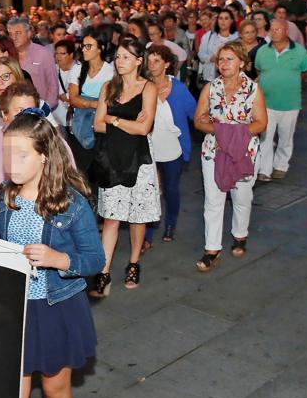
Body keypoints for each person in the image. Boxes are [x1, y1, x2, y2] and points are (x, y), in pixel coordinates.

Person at [0, 112, 105, 398]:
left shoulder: (71, 205)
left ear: (44, 156)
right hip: (15, 310)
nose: (11, 163)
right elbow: (1, 248)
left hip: (55, 307)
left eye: (21, 155)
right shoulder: (5, 200)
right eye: (7, 154)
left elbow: (94, 259)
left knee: (57, 390)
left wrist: (60, 259)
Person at [90, 37, 159, 296]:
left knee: (137, 217)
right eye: (118, 56)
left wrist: (113, 119)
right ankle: (104, 272)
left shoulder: (148, 88)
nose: (120, 61)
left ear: (139, 61)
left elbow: (144, 128)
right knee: (111, 218)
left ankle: (134, 263)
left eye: (126, 57)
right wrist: (121, 121)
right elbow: (97, 124)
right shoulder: (109, 87)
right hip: (112, 157)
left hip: (137, 159)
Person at [193, 42, 268, 272]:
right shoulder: (210, 88)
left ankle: (239, 234)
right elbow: (198, 120)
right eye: (221, 59)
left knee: (242, 196)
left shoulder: (253, 90)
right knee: (213, 199)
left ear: (242, 63)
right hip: (213, 150)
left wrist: (235, 134)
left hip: (244, 151)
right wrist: (221, 132)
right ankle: (212, 249)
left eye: (229, 59)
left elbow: (261, 123)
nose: (224, 64)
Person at [144, 45, 196, 246]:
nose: (152, 65)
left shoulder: (179, 89)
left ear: (167, 64)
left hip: (172, 148)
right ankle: (147, 232)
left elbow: (195, 115)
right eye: (149, 60)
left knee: (171, 188)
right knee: (149, 189)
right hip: (148, 146)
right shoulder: (143, 87)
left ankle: (170, 224)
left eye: (157, 61)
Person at [255, 18, 307, 182]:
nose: (273, 32)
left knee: (286, 137)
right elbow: (259, 69)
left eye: (277, 29)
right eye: (271, 29)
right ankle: (264, 170)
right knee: (265, 137)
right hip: (266, 103)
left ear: (286, 31)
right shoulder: (262, 51)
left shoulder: (300, 51)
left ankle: (280, 166)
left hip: (291, 103)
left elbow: (305, 72)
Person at [67, 31, 115, 173]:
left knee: (100, 169)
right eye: (83, 46)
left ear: (100, 48)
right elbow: (73, 99)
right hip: (80, 127)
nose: (83, 49)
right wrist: (94, 104)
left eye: (89, 46)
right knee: (82, 169)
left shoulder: (110, 72)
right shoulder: (77, 69)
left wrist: (85, 101)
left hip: (100, 129)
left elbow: (111, 102)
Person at [8, 17, 59, 109]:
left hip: (39, 110)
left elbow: (53, 86)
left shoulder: (44, 53)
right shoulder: (8, 55)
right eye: (11, 34)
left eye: (18, 33)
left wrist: (44, 110)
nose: (14, 37)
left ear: (29, 33)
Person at [197, 9, 239, 86]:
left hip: (232, 78)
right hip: (210, 78)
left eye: (226, 18)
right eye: (220, 18)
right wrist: (210, 58)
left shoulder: (237, 37)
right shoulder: (208, 36)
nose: (223, 21)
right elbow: (200, 54)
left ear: (232, 20)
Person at [52, 38, 81, 132]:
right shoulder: (53, 69)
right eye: (57, 53)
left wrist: (65, 96)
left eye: (63, 54)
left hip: (76, 118)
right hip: (57, 117)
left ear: (71, 54)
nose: (58, 57)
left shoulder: (80, 69)